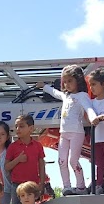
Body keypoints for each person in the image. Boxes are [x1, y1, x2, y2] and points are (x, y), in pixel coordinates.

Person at [39, 65, 91, 196]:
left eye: (70, 81)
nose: (67, 84)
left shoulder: (82, 96)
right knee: (61, 160)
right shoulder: (66, 96)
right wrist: (45, 87)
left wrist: (93, 118)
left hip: (77, 133)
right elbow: (56, 93)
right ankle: (66, 186)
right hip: (64, 133)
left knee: (73, 160)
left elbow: (88, 108)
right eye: (65, 82)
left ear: (78, 81)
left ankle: (81, 187)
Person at [4, 114, 46, 204]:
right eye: (16, 126)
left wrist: (42, 184)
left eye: (21, 126)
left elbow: (42, 165)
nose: (18, 129)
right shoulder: (12, 146)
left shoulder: (38, 145)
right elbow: (6, 167)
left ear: (31, 128)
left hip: (33, 185)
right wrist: (18, 159)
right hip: (17, 185)